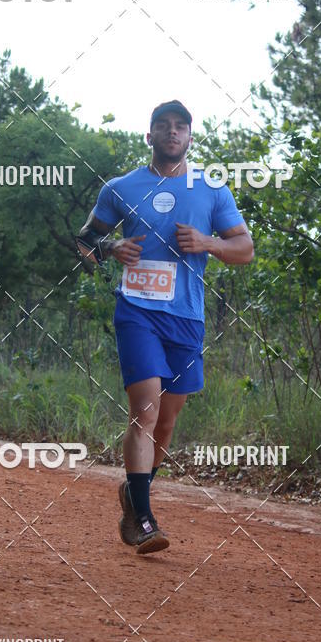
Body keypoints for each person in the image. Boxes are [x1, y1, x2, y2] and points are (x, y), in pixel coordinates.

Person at [76, 100, 254, 555]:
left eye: (181, 127)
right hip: (136, 310)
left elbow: (245, 248)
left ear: (190, 137)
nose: (172, 133)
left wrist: (209, 243)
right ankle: (144, 519)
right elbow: (85, 240)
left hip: (187, 318)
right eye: (163, 126)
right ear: (149, 136)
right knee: (146, 411)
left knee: (168, 424)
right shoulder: (120, 187)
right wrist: (111, 245)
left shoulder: (211, 188)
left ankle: (134, 493)